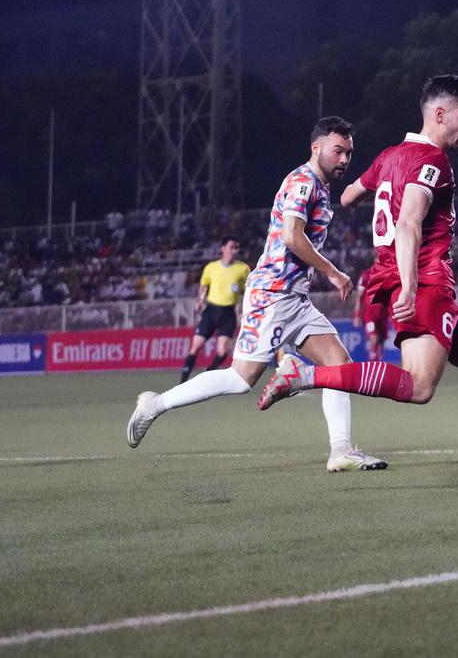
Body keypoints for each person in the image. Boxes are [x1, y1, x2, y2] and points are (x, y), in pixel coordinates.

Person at [256, 75, 458, 485]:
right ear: (440, 114)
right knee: (419, 387)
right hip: (424, 285)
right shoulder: (433, 161)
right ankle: (302, 376)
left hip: (403, 279)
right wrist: (411, 284)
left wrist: (383, 186)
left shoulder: (391, 155)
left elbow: (348, 196)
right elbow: (409, 222)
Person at [126, 117, 388, 472]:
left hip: (294, 298)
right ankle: (153, 405)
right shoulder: (302, 182)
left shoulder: (322, 189)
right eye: (338, 151)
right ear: (316, 147)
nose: (344, 159)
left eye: (349, 153)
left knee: (338, 365)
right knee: (239, 379)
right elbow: (291, 237)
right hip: (272, 294)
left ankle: (340, 450)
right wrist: (332, 271)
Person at [179, 236, 251, 383]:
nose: (235, 251)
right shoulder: (211, 267)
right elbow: (204, 285)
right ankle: (183, 381)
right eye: (232, 247)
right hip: (211, 312)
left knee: (222, 352)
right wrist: (199, 300)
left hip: (228, 313)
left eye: (237, 248)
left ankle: (208, 373)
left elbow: (247, 290)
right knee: (195, 347)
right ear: (222, 248)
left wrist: (245, 308)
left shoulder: (243, 269)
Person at [352, 268, 390, 361]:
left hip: (383, 313)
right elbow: (360, 296)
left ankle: (379, 363)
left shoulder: (388, 273)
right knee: (374, 338)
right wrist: (357, 315)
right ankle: (373, 363)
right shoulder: (366, 275)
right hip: (370, 314)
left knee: (381, 340)